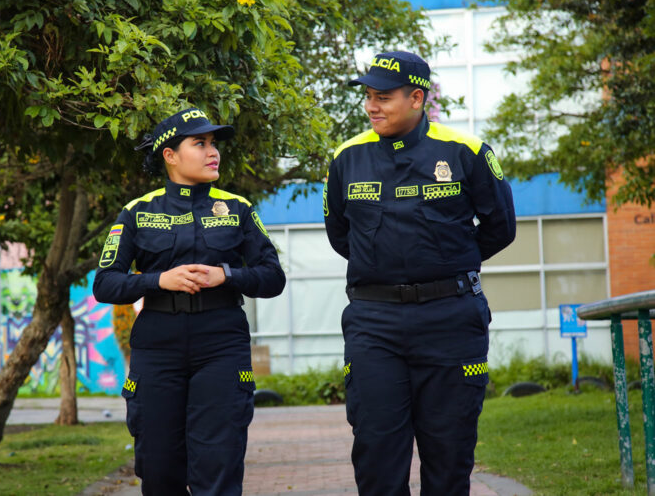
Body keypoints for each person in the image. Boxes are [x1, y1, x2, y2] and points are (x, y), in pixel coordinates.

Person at [323, 51, 516, 495]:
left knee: (449, 457)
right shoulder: (346, 158)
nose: (372, 106)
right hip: (375, 324)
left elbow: (500, 228)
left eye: (383, 97)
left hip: (451, 319)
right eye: (368, 96)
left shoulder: (466, 153)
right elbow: (340, 234)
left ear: (416, 98)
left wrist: (444, 266)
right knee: (376, 456)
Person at [93, 107, 285, 495]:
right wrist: (158, 280)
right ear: (170, 155)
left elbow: (273, 276)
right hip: (157, 345)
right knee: (159, 468)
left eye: (213, 143)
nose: (213, 151)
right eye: (200, 143)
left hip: (221, 343)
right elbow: (105, 283)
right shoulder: (137, 212)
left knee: (219, 464)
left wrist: (226, 275)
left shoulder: (238, 209)